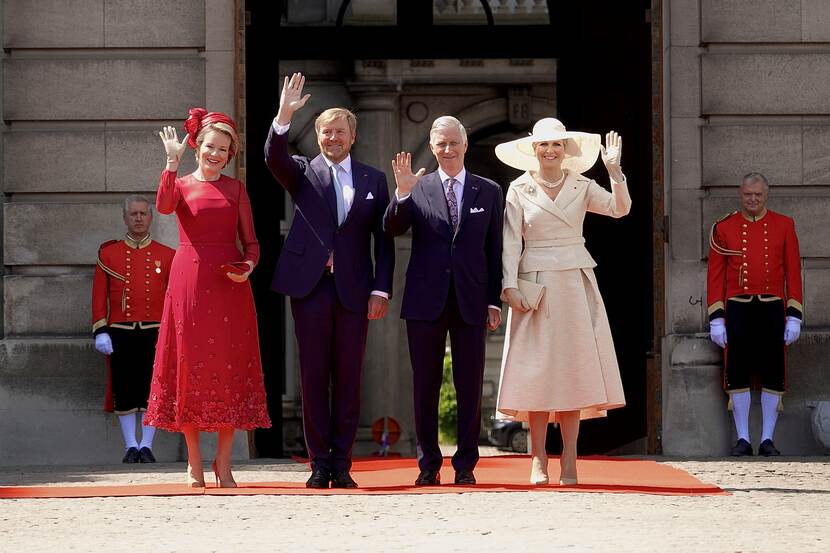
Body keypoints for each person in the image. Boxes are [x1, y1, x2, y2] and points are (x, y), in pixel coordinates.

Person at [264, 73, 395, 489]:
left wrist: (381, 288)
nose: (332, 137)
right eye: (325, 131)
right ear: (317, 136)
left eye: (339, 131)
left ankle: (343, 463)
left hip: (355, 289)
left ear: (352, 137)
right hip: (311, 288)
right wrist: (285, 114)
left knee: (349, 378)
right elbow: (273, 157)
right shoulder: (301, 171)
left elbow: (384, 239)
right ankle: (319, 463)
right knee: (314, 376)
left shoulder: (374, 179)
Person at [494, 117, 629, 485]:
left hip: (574, 280)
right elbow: (509, 242)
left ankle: (569, 459)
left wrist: (615, 172)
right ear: (533, 149)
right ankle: (537, 459)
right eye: (544, 145)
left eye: (557, 144)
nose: (551, 151)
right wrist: (509, 286)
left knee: (572, 371)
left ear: (566, 150)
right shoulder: (518, 188)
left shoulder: (583, 185)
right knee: (538, 372)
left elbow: (620, 209)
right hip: (534, 282)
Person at [144, 108, 271, 488]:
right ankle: (194, 462)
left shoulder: (236, 189)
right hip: (188, 280)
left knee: (230, 370)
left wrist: (249, 266)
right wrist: (170, 163)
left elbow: (252, 243)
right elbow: (164, 207)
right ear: (197, 146)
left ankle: (224, 461)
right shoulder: (180, 184)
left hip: (230, 284)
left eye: (223, 149)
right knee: (189, 367)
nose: (215, 154)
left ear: (230, 154)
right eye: (210, 146)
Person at [384, 115, 503, 486]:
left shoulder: (489, 191)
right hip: (425, 299)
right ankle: (428, 465)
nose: (448, 150)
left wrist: (494, 300)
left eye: (454, 143)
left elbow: (494, 249)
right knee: (426, 384)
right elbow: (390, 228)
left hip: (471, 298)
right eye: (441, 144)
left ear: (465, 145)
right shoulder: (417, 186)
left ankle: (466, 464)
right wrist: (402, 193)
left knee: (469, 384)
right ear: (432, 147)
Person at [707, 172, 803, 457]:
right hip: (737, 307)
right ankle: (744, 438)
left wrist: (794, 314)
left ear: (766, 194)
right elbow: (716, 276)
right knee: (737, 372)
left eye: (758, 195)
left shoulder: (784, 225)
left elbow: (793, 272)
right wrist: (716, 317)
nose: (752, 199)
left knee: (774, 372)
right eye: (748, 194)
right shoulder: (724, 227)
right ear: (740, 193)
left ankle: (767, 439)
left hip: (772, 307)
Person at [91, 195, 175, 463]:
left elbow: (174, 298)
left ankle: (147, 446)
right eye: (133, 214)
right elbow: (98, 295)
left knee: (153, 388)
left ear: (151, 217)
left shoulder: (167, 255)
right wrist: (100, 329)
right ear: (124, 218)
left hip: (156, 331)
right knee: (125, 389)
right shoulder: (108, 253)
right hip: (120, 331)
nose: (138, 218)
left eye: (143, 214)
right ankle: (130, 446)